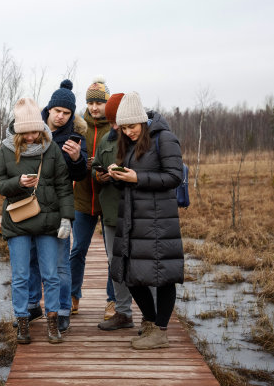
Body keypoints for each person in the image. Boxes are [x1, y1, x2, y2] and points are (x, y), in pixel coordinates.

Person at [0, 80, 87, 333]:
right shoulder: (6, 150)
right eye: (27, 132)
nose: (32, 136)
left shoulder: (52, 148)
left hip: (49, 221)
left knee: (54, 273)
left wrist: (67, 218)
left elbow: (65, 186)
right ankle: (24, 319)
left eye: (35, 131)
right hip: (19, 220)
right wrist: (18, 182)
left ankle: (56, 318)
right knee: (22, 274)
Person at [108, 91, 184, 349]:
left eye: (132, 126)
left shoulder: (165, 139)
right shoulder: (129, 144)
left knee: (163, 276)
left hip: (159, 220)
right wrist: (119, 177)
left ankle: (160, 331)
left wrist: (137, 179)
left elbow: (174, 177)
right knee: (131, 274)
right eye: (124, 128)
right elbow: (132, 181)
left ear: (142, 120)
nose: (128, 132)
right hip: (133, 220)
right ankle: (150, 322)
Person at [70, 76, 116, 319]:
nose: (95, 107)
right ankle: (73, 295)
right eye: (91, 103)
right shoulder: (78, 127)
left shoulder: (115, 129)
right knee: (78, 249)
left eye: (99, 103)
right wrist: (79, 162)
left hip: (109, 200)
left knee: (112, 253)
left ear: (107, 104)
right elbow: (68, 157)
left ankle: (112, 300)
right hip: (82, 199)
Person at [92, 93, 135, 330]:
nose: (115, 126)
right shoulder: (105, 142)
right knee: (115, 262)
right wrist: (99, 174)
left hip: (137, 210)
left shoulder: (139, 138)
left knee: (140, 261)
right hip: (110, 212)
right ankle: (123, 313)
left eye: (118, 120)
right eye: (111, 122)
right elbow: (95, 168)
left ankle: (153, 317)